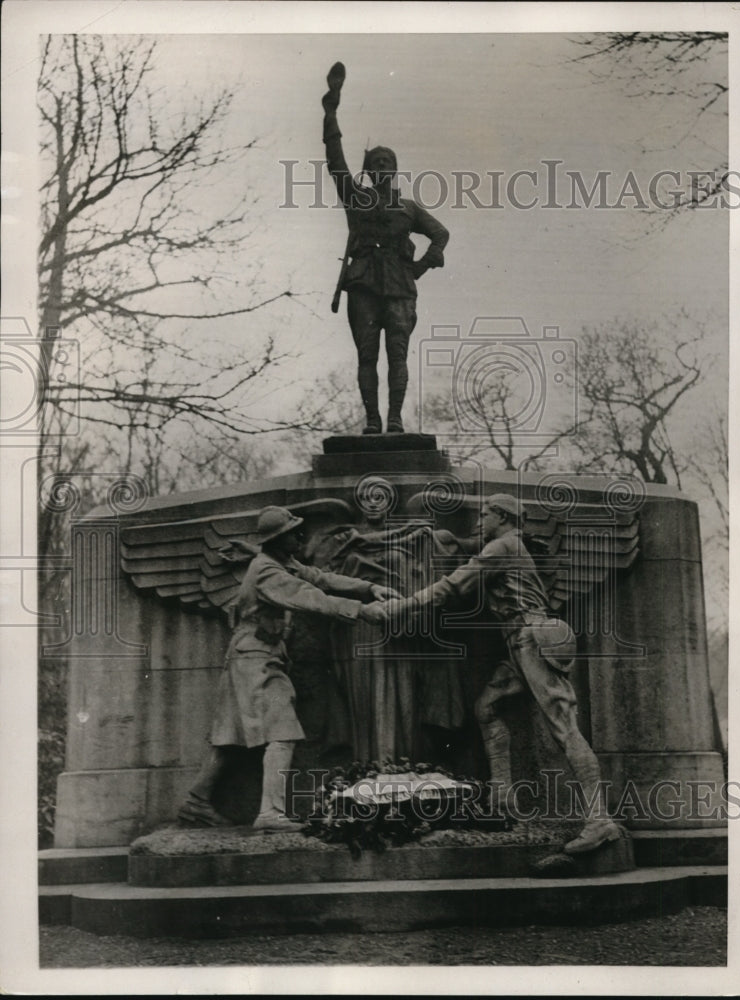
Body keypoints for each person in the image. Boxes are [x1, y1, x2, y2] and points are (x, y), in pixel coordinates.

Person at [379, 494, 622, 854]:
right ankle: (503, 801)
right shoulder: (507, 544)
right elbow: (467, 550)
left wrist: (404, 605)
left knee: (564, 728)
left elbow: (454, 585)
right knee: (486, 709)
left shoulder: (502, 546)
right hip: (519, 640)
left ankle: (599, 821)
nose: (479, 520)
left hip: (531, 637)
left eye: (485, 514)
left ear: (503, 517)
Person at [178, 505, 395, 833]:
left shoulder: (280, 563)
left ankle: (197, 801)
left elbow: (320, 577)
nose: (301, 536)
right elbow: (310, 596)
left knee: (230, 738)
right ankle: (270, 814)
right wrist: (363, 611)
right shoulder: (268, 571)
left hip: (252, 656)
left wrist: (368, 588)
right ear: (278, 540)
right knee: (283, 732)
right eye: (294, 532)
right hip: (257, 658)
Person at [322, 61, 449, 434]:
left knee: (397, 354)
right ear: (369, 170)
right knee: (367, 354)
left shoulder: (408, 208)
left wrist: (422, 266)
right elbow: (335, 163)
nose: (381, 166)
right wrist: (330, 112)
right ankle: (373, 421)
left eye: (387, 162)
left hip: (399, 284)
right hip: (363, 281)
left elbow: (441, 234)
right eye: (375, 162)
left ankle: (394, 419)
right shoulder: (356, 198)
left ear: (394, 169)